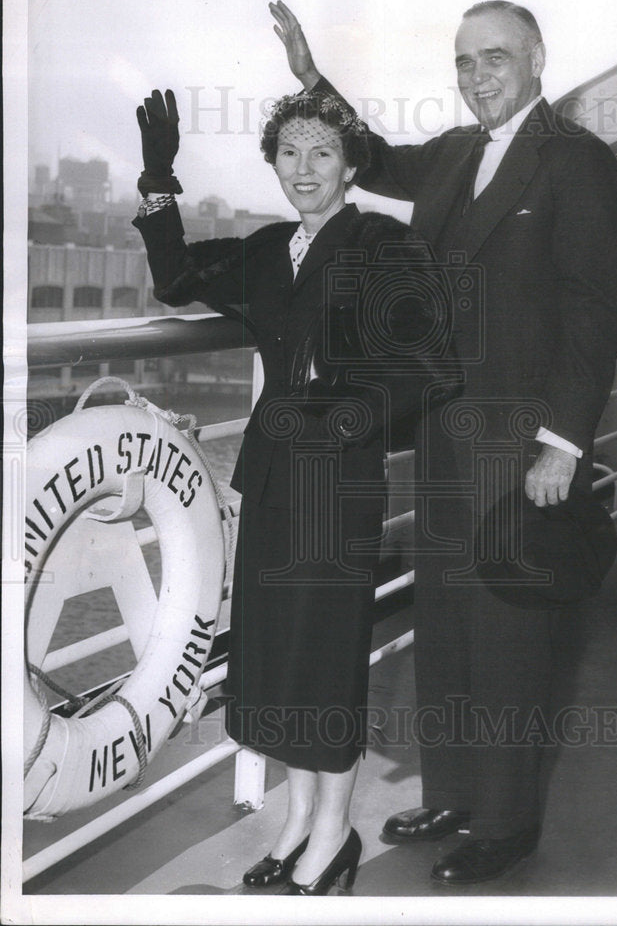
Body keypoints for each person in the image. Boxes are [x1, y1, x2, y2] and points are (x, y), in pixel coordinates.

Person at [269, 0, 617, 885]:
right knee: (446, 622)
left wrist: (563, 443)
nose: (478, 75)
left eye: (495, 56)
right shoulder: (456, 153)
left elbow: (597, 309)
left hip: (519, 439)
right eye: (465, 60)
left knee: (508, 629)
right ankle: (456, 793)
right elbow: (373, 155)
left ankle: (506, 822)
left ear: (537, 57)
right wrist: (311, 80)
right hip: (441, 431)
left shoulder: (576, 160)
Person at [133, 88, 454, 895]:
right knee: (279, 655)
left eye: (322, 153)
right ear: (273, 162)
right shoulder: (271, 248)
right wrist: (158, 175)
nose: (304, 168)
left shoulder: (386, 245)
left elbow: (433, 367)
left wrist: (347, 415)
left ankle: (335, 831)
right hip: (274, 474)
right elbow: (175, 278)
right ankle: (300, 818)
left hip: (337, 481)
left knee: (326, 657)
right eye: (289, 152)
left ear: (350, 166)